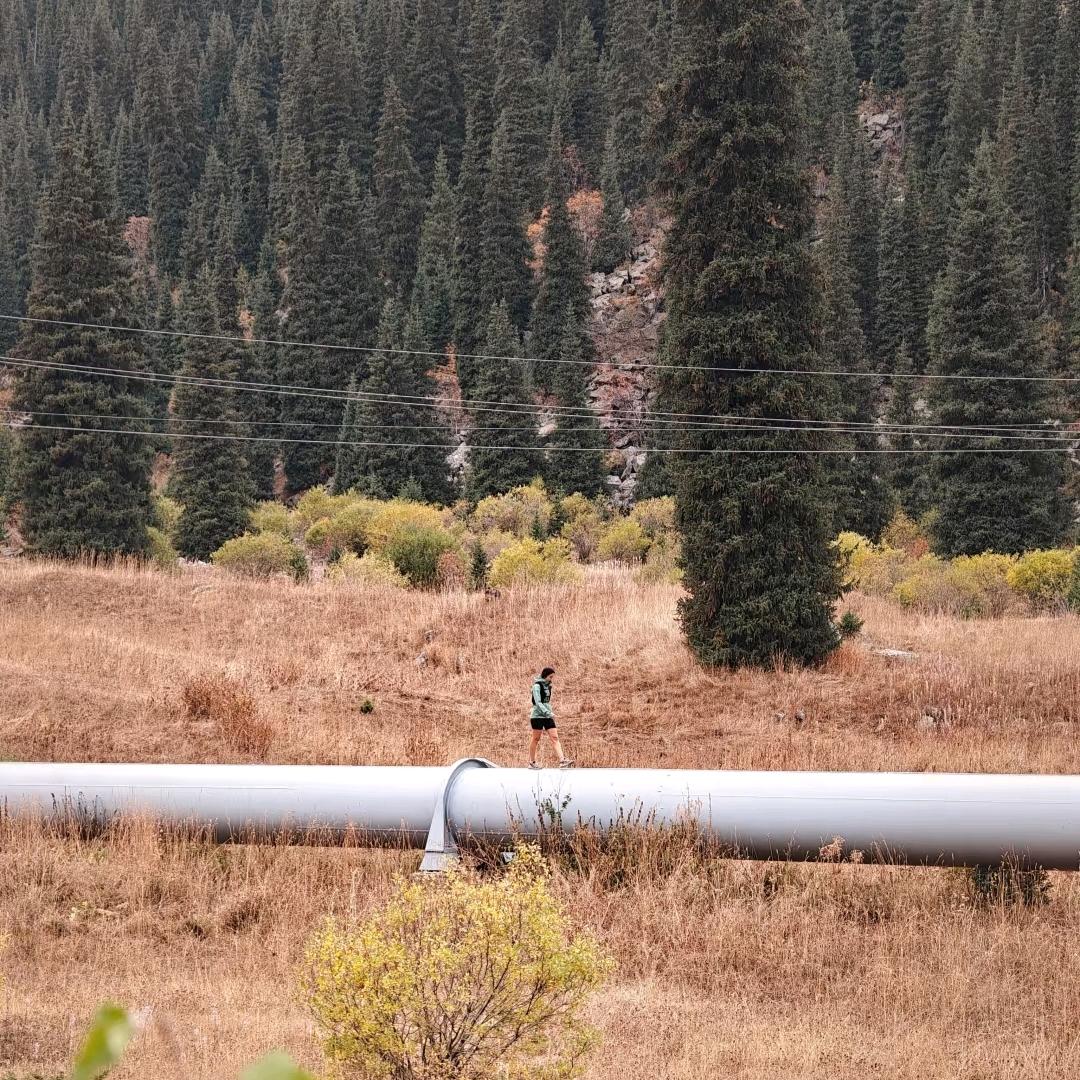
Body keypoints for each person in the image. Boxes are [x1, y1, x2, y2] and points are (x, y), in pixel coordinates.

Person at [528, 666, 573, 769]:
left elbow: (546, 701)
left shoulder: (548, 686)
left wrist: (549, 712)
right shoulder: (536, 686)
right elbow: (538, 702)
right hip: (537, 716)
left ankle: (562, 760)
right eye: (550, 677)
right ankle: (532, 762)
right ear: (545, 676)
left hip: (547, 715)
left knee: (554, 737)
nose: (551, 679)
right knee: (536, 738)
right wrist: (548, 712)